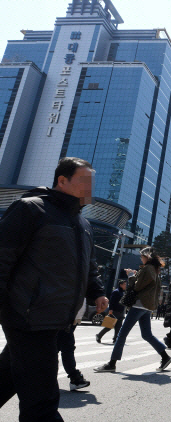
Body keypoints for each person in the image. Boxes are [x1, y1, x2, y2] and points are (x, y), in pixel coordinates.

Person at [0, 157, 108, 421]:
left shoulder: (83, 224)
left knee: (8, 377)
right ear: (62, 180)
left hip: (58, 319)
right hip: (28, 317)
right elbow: (2, 258)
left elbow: (88, 267)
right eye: (84, 182)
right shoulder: (31, 208)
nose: (89, 189)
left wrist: (97, 293)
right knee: (43, 402)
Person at [94, 247, 171, 373]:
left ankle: (112, 363)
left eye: (142, 256)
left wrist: (131, 275)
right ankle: (165, 356)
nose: (140, 258)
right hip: (147, 306)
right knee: (147, 334)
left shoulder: (147, 268)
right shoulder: (155, 270)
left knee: (122, 334)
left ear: (147, 256)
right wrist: (135, 275)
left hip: (139, 305)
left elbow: (136, 287)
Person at [58, 300, 90, 391]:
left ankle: (74, 377)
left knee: (64, 346)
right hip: (63, 313)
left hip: (73, 315)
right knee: (65, 347)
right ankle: (74, 377)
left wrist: (98, 295)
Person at [96, 279, 127, 344]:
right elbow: (112, 301)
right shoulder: (116, 292)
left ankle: (115, 339)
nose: (126, 285)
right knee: (109, 326)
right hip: (114, 312)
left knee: (118, 327)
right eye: (124, 284)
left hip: (121, 312)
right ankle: (99, 335)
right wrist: (110, 310)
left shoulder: (124, 292)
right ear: (120, 285)